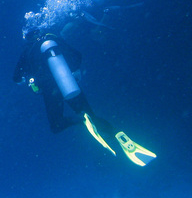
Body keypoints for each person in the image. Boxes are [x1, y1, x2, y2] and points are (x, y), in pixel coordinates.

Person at [13, 28, 156, 166]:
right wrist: (72, 71)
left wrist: (29, 78)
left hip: (51, 90)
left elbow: (16, 78)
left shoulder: (28, 51)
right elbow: (77, 55)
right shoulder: (53, 39)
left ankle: (81, 120)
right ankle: (115, 132)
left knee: (56, 125)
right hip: (68, 82)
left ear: (27, 37)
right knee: (91, 115)